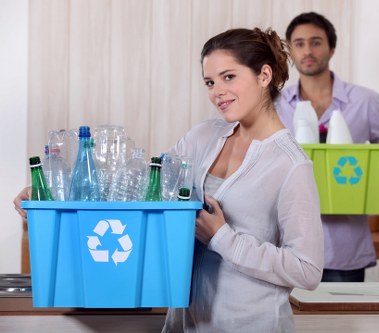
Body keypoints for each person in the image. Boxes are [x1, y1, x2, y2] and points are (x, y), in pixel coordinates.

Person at [14, 27, 324, 332]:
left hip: (250, 325)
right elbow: (141, 189)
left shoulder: (290, 165)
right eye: (209, 82)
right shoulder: (203, 136)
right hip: (183, 321)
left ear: (264, 76)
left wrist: (222, 238)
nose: (217, 91)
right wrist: (48, 194)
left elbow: (307, 270)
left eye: (229, 77)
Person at [275, 12, 379, 282]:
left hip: (344, 246)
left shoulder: (365, 101)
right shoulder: (276, 104)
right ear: (290, 51)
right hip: (288, 244)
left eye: (316, 42)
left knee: (344, 324)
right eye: (299, 43)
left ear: (332, 48)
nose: (307, 50)